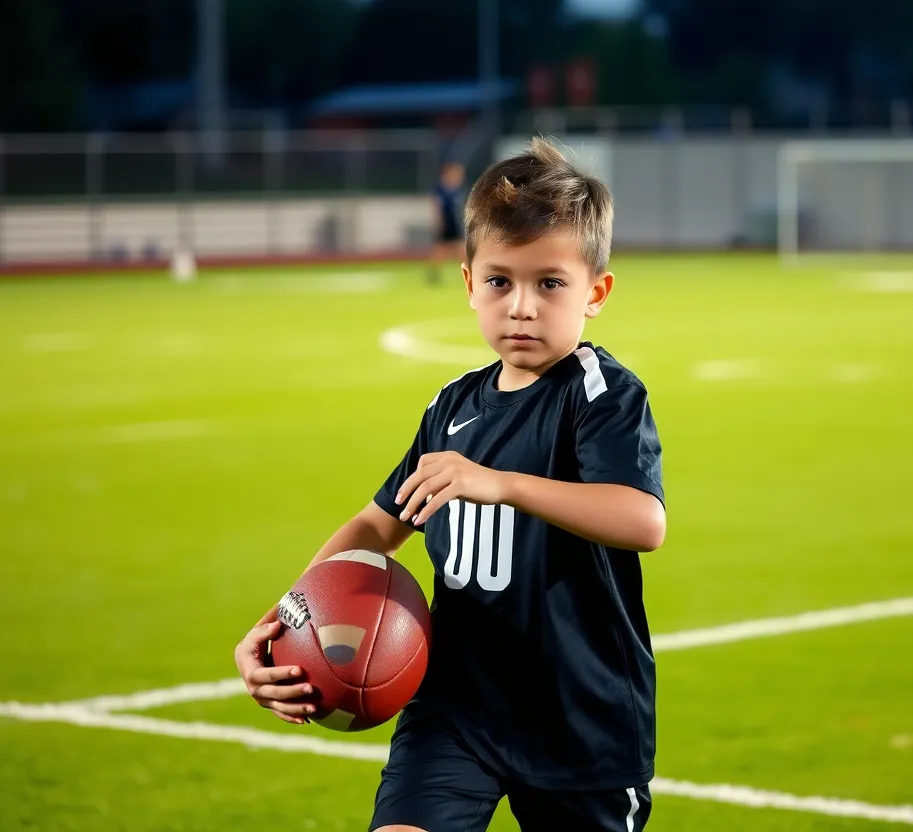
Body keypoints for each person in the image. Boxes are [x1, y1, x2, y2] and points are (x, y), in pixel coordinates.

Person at [234, 137, 666, 832]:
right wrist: (285, 619)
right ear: (469, 284)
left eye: (549, 283)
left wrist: (502, 484)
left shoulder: (601, 393)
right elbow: (377, 528)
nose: (521, 307)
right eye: (500, 281)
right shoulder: (452, 406)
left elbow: (642, 520)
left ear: (597, 293)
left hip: (580, 719)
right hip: (456, 708)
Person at [428, 160, 466, 285]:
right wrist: (439, 223)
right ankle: (434, 274)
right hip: (446, 224)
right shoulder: (440, 190)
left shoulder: (456, 190)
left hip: (455, 224)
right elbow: (437, 206)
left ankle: (467, 273)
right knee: (441, 250)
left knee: (460, 250)